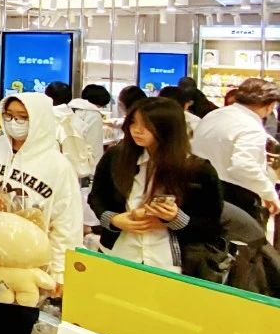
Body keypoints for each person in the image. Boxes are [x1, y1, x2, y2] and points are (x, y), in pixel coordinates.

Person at [0, 93, 82, 334]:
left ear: (39, 120)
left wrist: (60, 271)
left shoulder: (57, 166)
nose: (14, 123)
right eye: (9, 116)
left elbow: (66, 222)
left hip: (29, 263)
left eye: (23, 117)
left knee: (22, 326)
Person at [89, 98, 223, 276]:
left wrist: (175, 218)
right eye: (133, 122)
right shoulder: (116, 157)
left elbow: (211, 225)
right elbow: (97, 197)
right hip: (118, 253)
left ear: (168, 127)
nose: (137, 130)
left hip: (170, 262)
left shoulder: (198, 170)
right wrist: (114, 220)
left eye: (147, 125)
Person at [192, 77, 280, 224]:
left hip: (199, 189)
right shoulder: (251, 127)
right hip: (233, 197)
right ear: (270, 106)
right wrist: (269, 193)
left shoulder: (214, 115)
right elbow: (244, 166)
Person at [69, 84, 111, 180]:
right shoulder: (93, 114)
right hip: (84, 166)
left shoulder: (69, 109)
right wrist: (95, 171)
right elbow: (94, 144)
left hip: (67, 161)